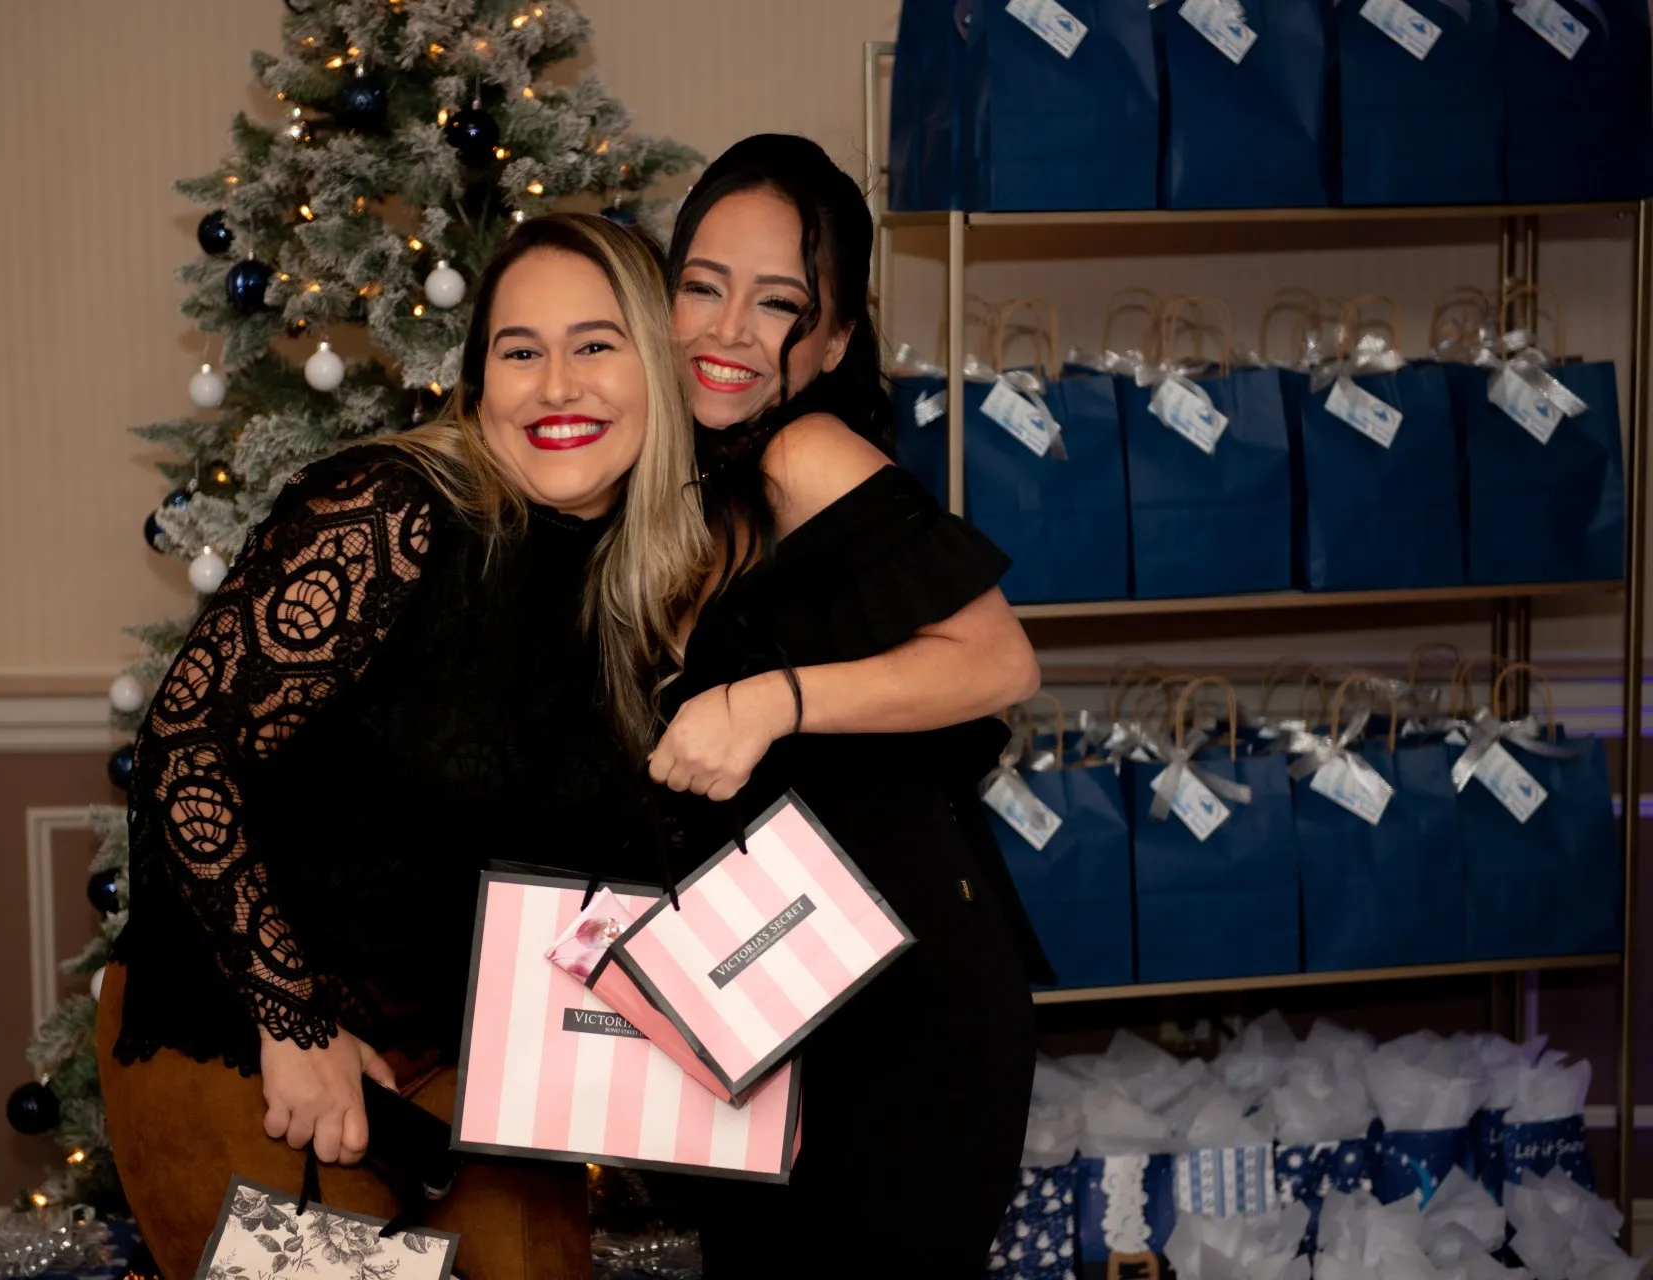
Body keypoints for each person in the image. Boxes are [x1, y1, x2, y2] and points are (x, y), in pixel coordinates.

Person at [93, 213, 709, 1280]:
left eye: (595, 345)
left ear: (656, 369)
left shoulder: (644, 590)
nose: (557, 385)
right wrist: (293, 1019)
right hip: (246, 1022)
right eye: (520, 351)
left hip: (467, 1074)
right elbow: (188, 748)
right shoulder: (391, 513)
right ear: (479, 383)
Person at [643, 133, 1052, 1277]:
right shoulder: (682, 478)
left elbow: (999, 660)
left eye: (779, 303)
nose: (729, 329)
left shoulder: (806, 451)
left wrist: (768, 700)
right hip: (765, 994)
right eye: (703, 286)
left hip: (901, 1006)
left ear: (830, 341)